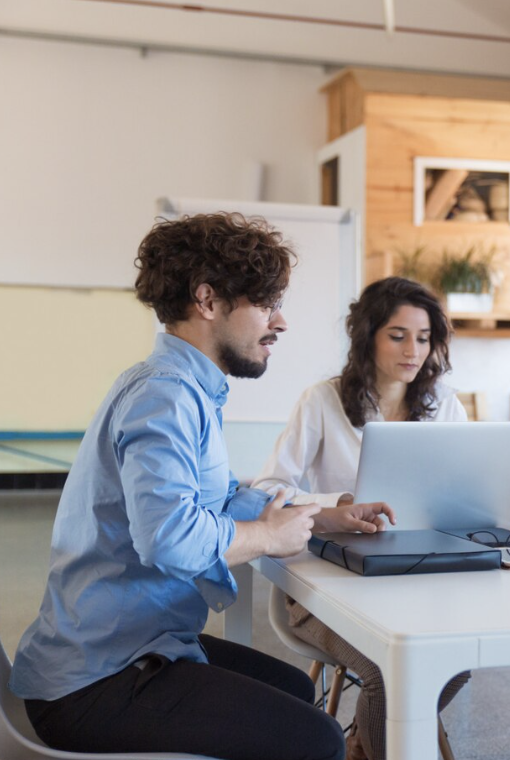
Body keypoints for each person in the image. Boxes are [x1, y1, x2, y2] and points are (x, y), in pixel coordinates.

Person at [9, 213, 395, 760]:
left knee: (296, 690)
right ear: (208, 301)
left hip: (129, 648)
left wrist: (318, 517)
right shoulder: (165, 396)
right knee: (318, 740)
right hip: (95, 680)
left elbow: (214, 499)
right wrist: (264, 537)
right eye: (266, 304)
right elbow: (170, 538)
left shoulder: (181, 386)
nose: (280, 322)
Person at [253, 276, 469, 760]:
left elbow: (465, 492)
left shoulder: (444, 406)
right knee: (384, 670)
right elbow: (267, 490)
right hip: (326, 581)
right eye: (398, 335)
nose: (413, 350)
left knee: (457, 664)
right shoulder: (322, 401)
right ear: (367, 335)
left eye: (423, 337)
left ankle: (364, 745)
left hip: (417, 580)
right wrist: (338, 502)